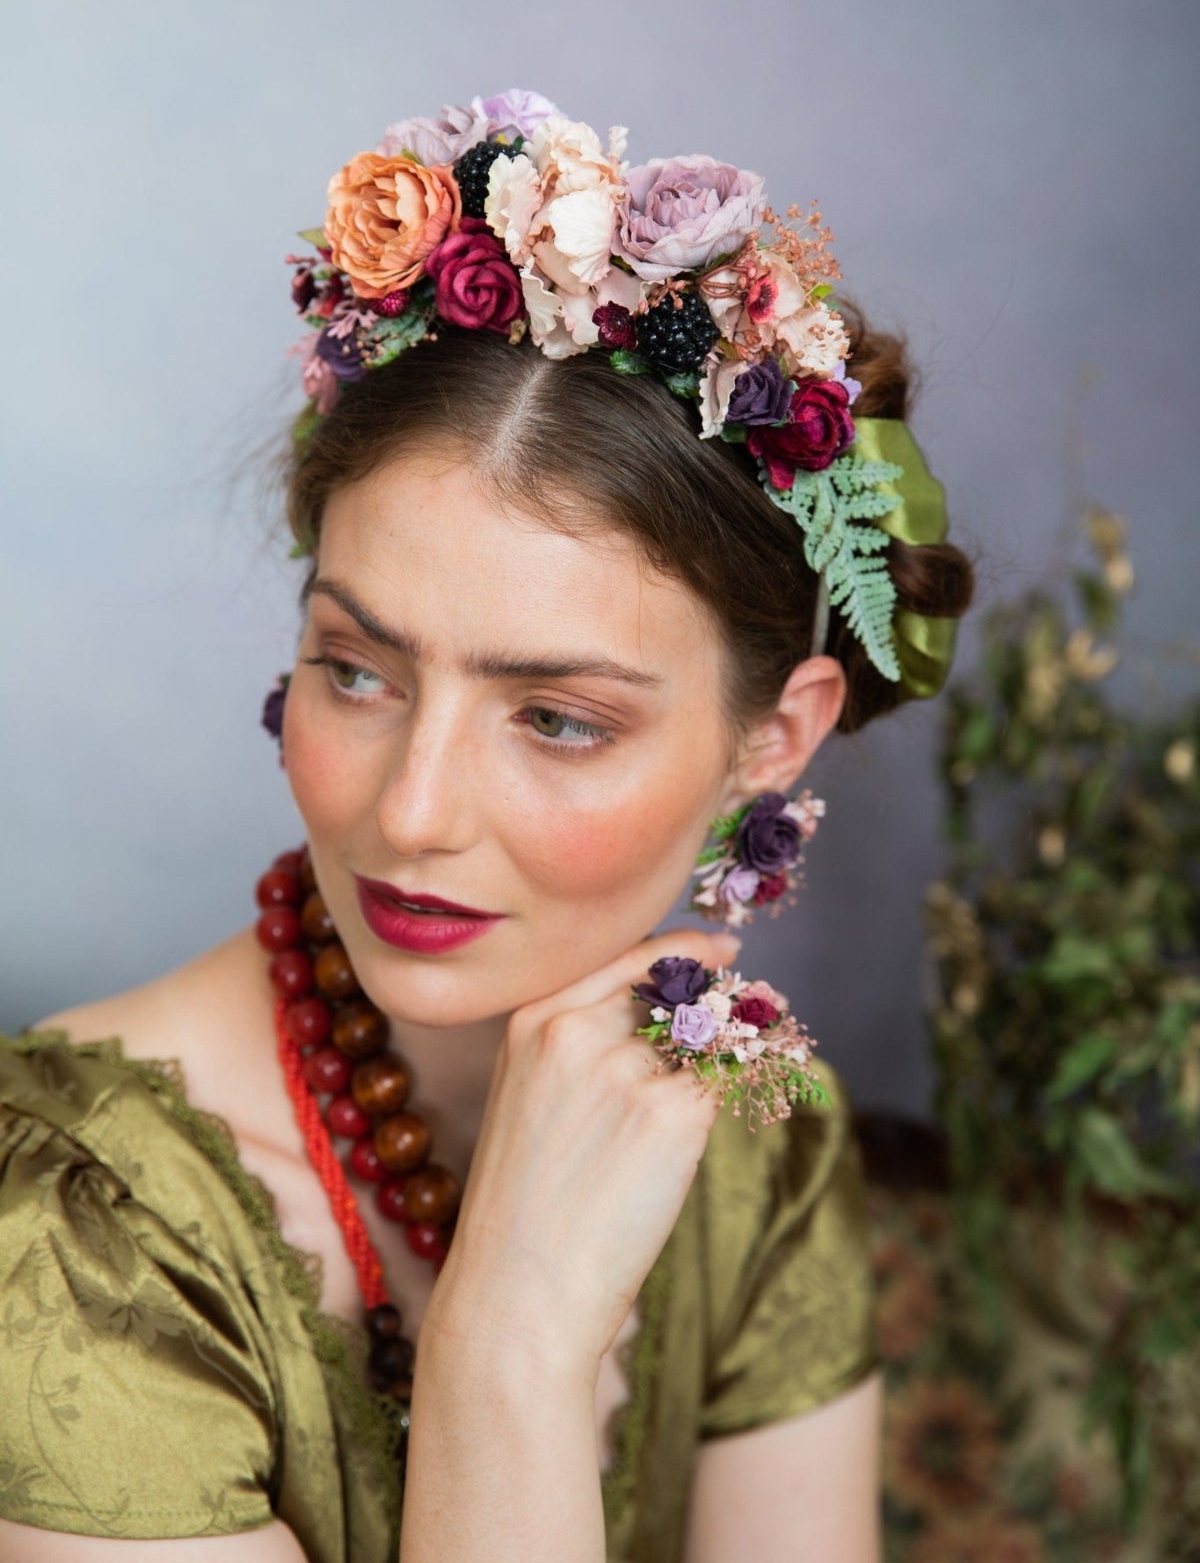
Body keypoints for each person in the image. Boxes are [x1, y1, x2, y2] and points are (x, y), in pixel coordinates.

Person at [0, 91, 973, 1562]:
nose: (410, 811)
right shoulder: (78, 1233)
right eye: (357, 671)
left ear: (773, 740)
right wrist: (507, 1348)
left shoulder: (753, 1146)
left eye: (558, 718)